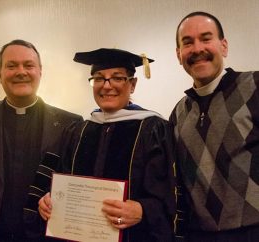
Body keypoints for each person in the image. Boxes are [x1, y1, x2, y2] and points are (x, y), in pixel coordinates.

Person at [37, 48, 176, 242]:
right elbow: (61, 183)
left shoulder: (153, 130)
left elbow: (168, 195)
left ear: (132, 84)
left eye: (117, 78)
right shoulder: (78, 131)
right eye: (99, 78)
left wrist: (143, 210)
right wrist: (49, 201)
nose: (106, 86)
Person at [0, 39, 83, 242]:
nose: (21, 71)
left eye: (28, 65)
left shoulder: (70, 124)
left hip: (45, 236)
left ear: (40, 72)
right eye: (11, 65)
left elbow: (77, 185)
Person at [170, 11, 259, 242]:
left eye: (206, 38)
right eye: (187, 42)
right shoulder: (178, 113)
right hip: (198, 235)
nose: (197, 48)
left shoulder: (254, 87)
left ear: (224, 46)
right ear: (179, 55)